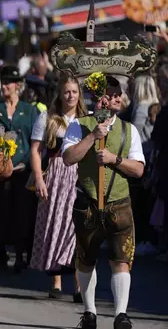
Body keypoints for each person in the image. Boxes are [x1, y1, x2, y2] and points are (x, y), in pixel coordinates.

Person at [62, 75, 145, 329]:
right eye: (112, 92)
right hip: (87, 203)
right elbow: (68, 158)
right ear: (101, 98)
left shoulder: (129, 130)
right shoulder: (79, 125)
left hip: (119, 203)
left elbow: (139, 169)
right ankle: (90, 312)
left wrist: (113, 159)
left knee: (121, 259)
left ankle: (121, 314)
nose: (118, 97)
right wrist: (92, 136)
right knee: (86, 258)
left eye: (119, 93)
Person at [30, 74, 87, 302]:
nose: (71, 95)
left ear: (79, 94)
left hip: (78, 177)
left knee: (77, 229)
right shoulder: (48, 118)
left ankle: (78, 284)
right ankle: (56, 280)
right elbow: (36, 150)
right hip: (54, 174)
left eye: (74, 92)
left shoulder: (86, 119)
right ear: (60, 94)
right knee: (54, 225)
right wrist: (39, 179)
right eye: (67, 92)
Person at [0, 65, 39, 271]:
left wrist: (26, 162)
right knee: (0, 209)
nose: (4, 86)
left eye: (8, 82)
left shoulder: (30, 111)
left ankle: (21, 253)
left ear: (17, 86)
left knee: (22, 212)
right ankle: (0, 250)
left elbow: (36, 142)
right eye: (2, 81)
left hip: (22, 170)